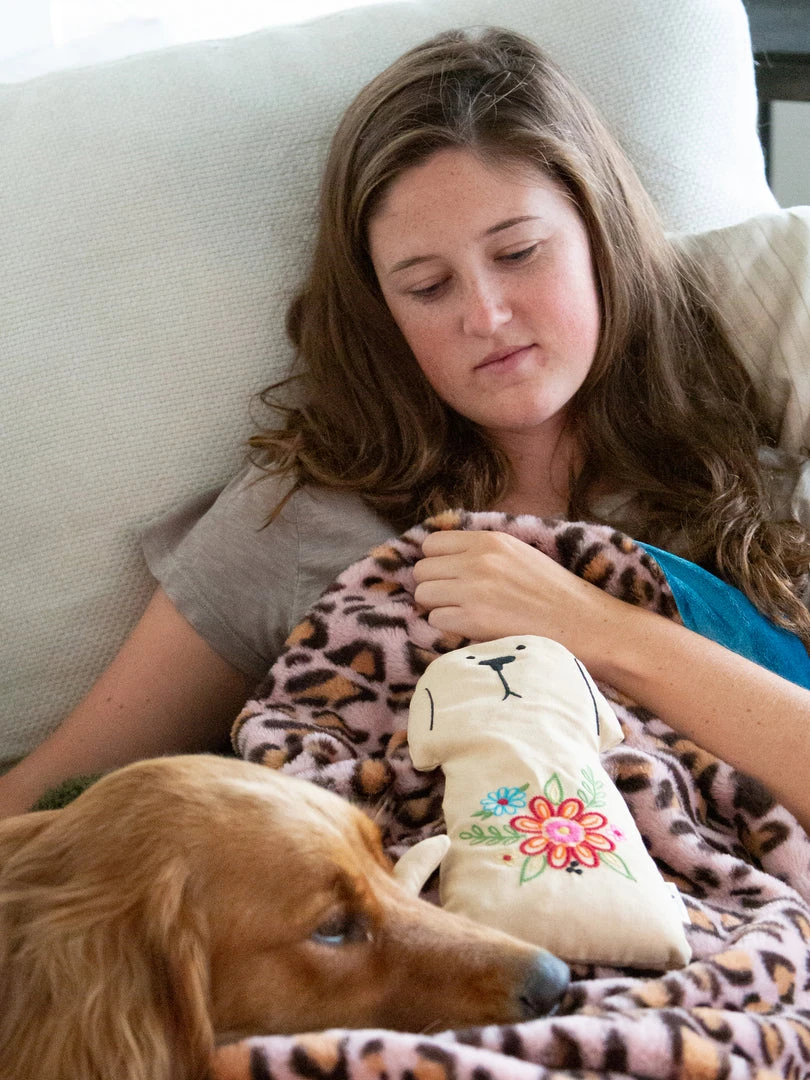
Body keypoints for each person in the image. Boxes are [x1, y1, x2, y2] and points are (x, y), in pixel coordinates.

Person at [2, 28, 809, 830]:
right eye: (427, 287)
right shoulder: (309, 516)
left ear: (601, 236)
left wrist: (594, 628)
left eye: (519, 252)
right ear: (382, 312)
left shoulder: (754, 463)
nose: (485, 316)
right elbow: (50, 801)